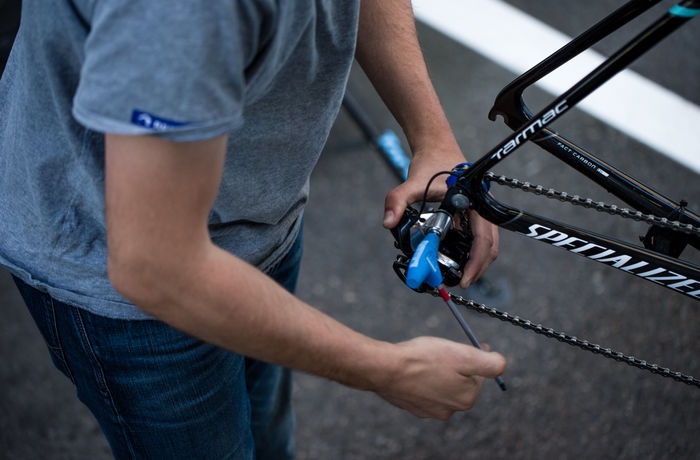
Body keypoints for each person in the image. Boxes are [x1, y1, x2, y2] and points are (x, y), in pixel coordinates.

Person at [0, 1, 505, 458]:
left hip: (259, 221)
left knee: (267, 444)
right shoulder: (177, 14)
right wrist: (388, 371)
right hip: (134, 294)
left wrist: (434, 139)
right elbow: (156, 266)